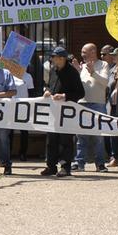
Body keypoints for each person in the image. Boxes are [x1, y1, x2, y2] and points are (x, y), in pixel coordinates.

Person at [41, 46, 84, 178]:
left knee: (65, 139)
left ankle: (65, 167)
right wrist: (47, 91)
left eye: (54, 57)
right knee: (51, 139)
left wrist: (65, 96)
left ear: (62, 58)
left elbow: (80, 92)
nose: (52, 59)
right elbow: (51, 86)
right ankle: (51, 165)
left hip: (66, 112)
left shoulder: (72, 72)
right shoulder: (54, 70)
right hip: (53, 111)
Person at [74, 43, 109, 172]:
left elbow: (105, 82)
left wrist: (93, 72)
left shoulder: (103, 65)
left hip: (97, 104)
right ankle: (79, 162)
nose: (82, 55)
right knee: (81, 135)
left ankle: (100, 164)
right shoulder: (82, 66)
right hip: (82, 103)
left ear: (93, 52)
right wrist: (78, 71)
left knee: (98, 136)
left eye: (85, 52)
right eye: (82, 52)